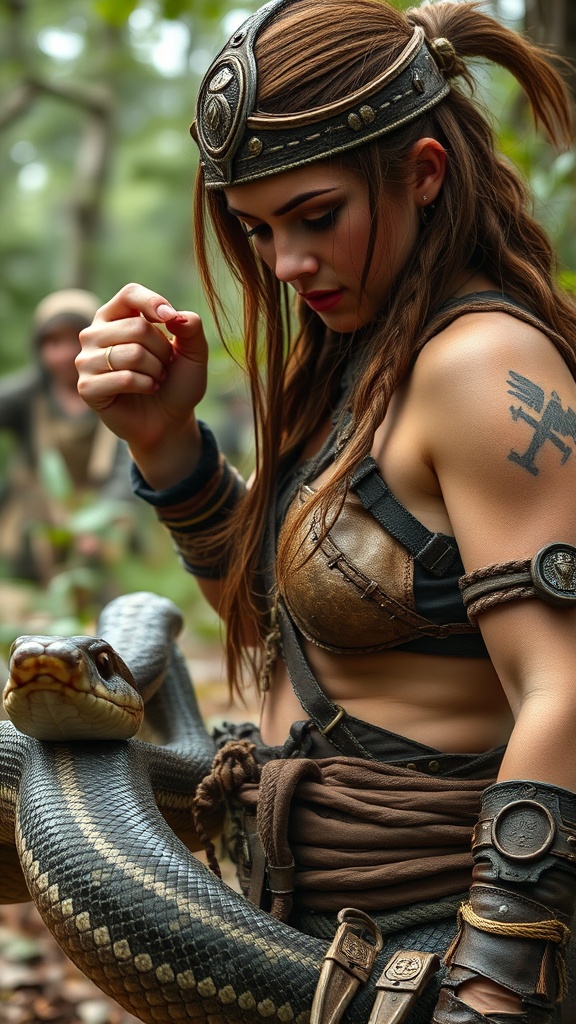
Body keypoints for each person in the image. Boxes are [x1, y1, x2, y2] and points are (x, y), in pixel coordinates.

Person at [75, 0, 576, 1019]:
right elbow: (287, 634)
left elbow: (562, 685)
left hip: (444, 945)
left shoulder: (483, 366)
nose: (284, 263)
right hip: (318, 939)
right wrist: (166, 446)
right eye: (258, 229)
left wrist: (492, 980)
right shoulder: (358, 358)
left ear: (423, 174)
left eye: (315, 215)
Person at [0, 289, 136, 583]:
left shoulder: (120, 394)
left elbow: (126, 467)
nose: (64, 354)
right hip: (33, 527)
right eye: (53, 342)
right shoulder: (26, 396)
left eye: (76, 339)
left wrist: (100, 519)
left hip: (96, 523)